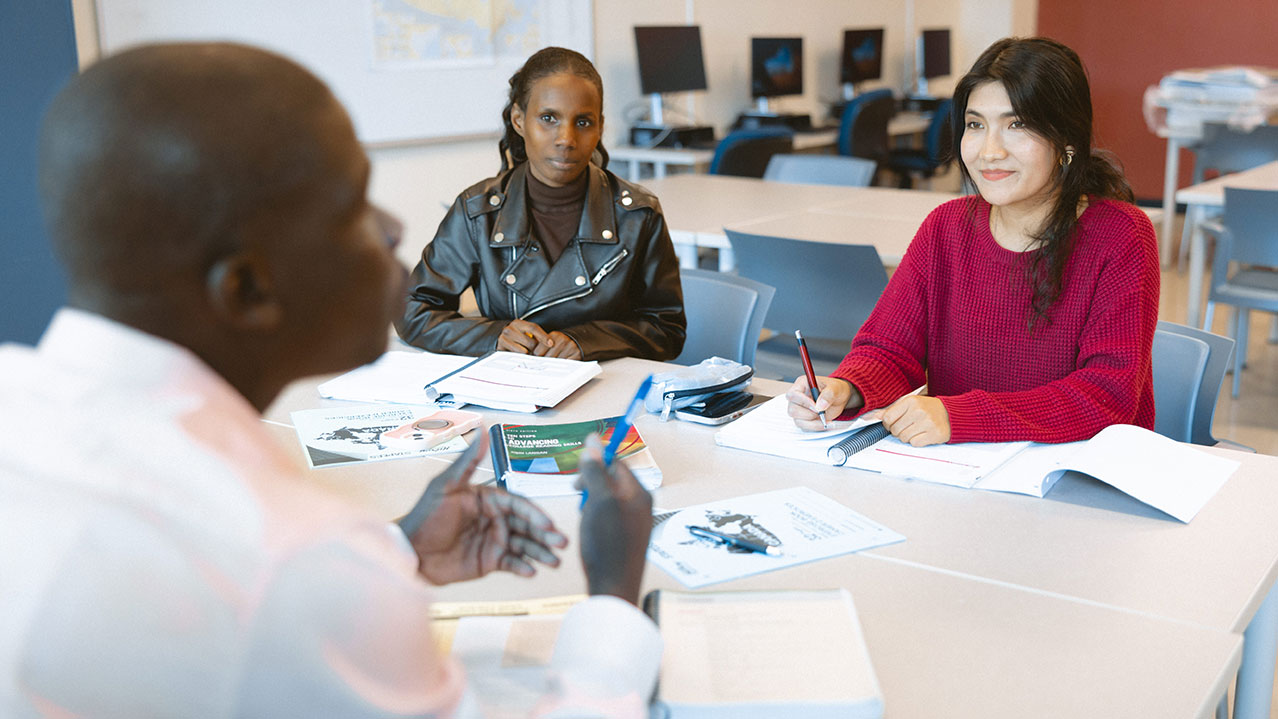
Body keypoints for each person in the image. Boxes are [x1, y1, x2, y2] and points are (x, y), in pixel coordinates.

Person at [0, 42, 658, 718]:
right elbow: (283, 583)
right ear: (250, 288)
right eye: (352, 208)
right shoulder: (298, 561)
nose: (394, 227)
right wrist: (612, 592)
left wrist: (397, 543)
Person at [788, 37, 1159, 447]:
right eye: (976, 125)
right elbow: (889, 349)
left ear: (1067, 141)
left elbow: (1106, 397)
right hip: (965, 476)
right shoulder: (945, 228)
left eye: (1017, 125)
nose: (989, 151)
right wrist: (847, 388)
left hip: (1076, 480)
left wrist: (959, 416)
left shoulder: (1122, 236)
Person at [396, 47, 686, 362]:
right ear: (519, 120)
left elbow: (667, 330)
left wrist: (586, 341)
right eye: (548, 118)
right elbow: (413, 310)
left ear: (600, 126)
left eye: (583, 122)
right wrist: (495, 335)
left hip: (608, 389)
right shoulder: (478, 212)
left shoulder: (637, 215)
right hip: (511, 391)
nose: (566, 138)